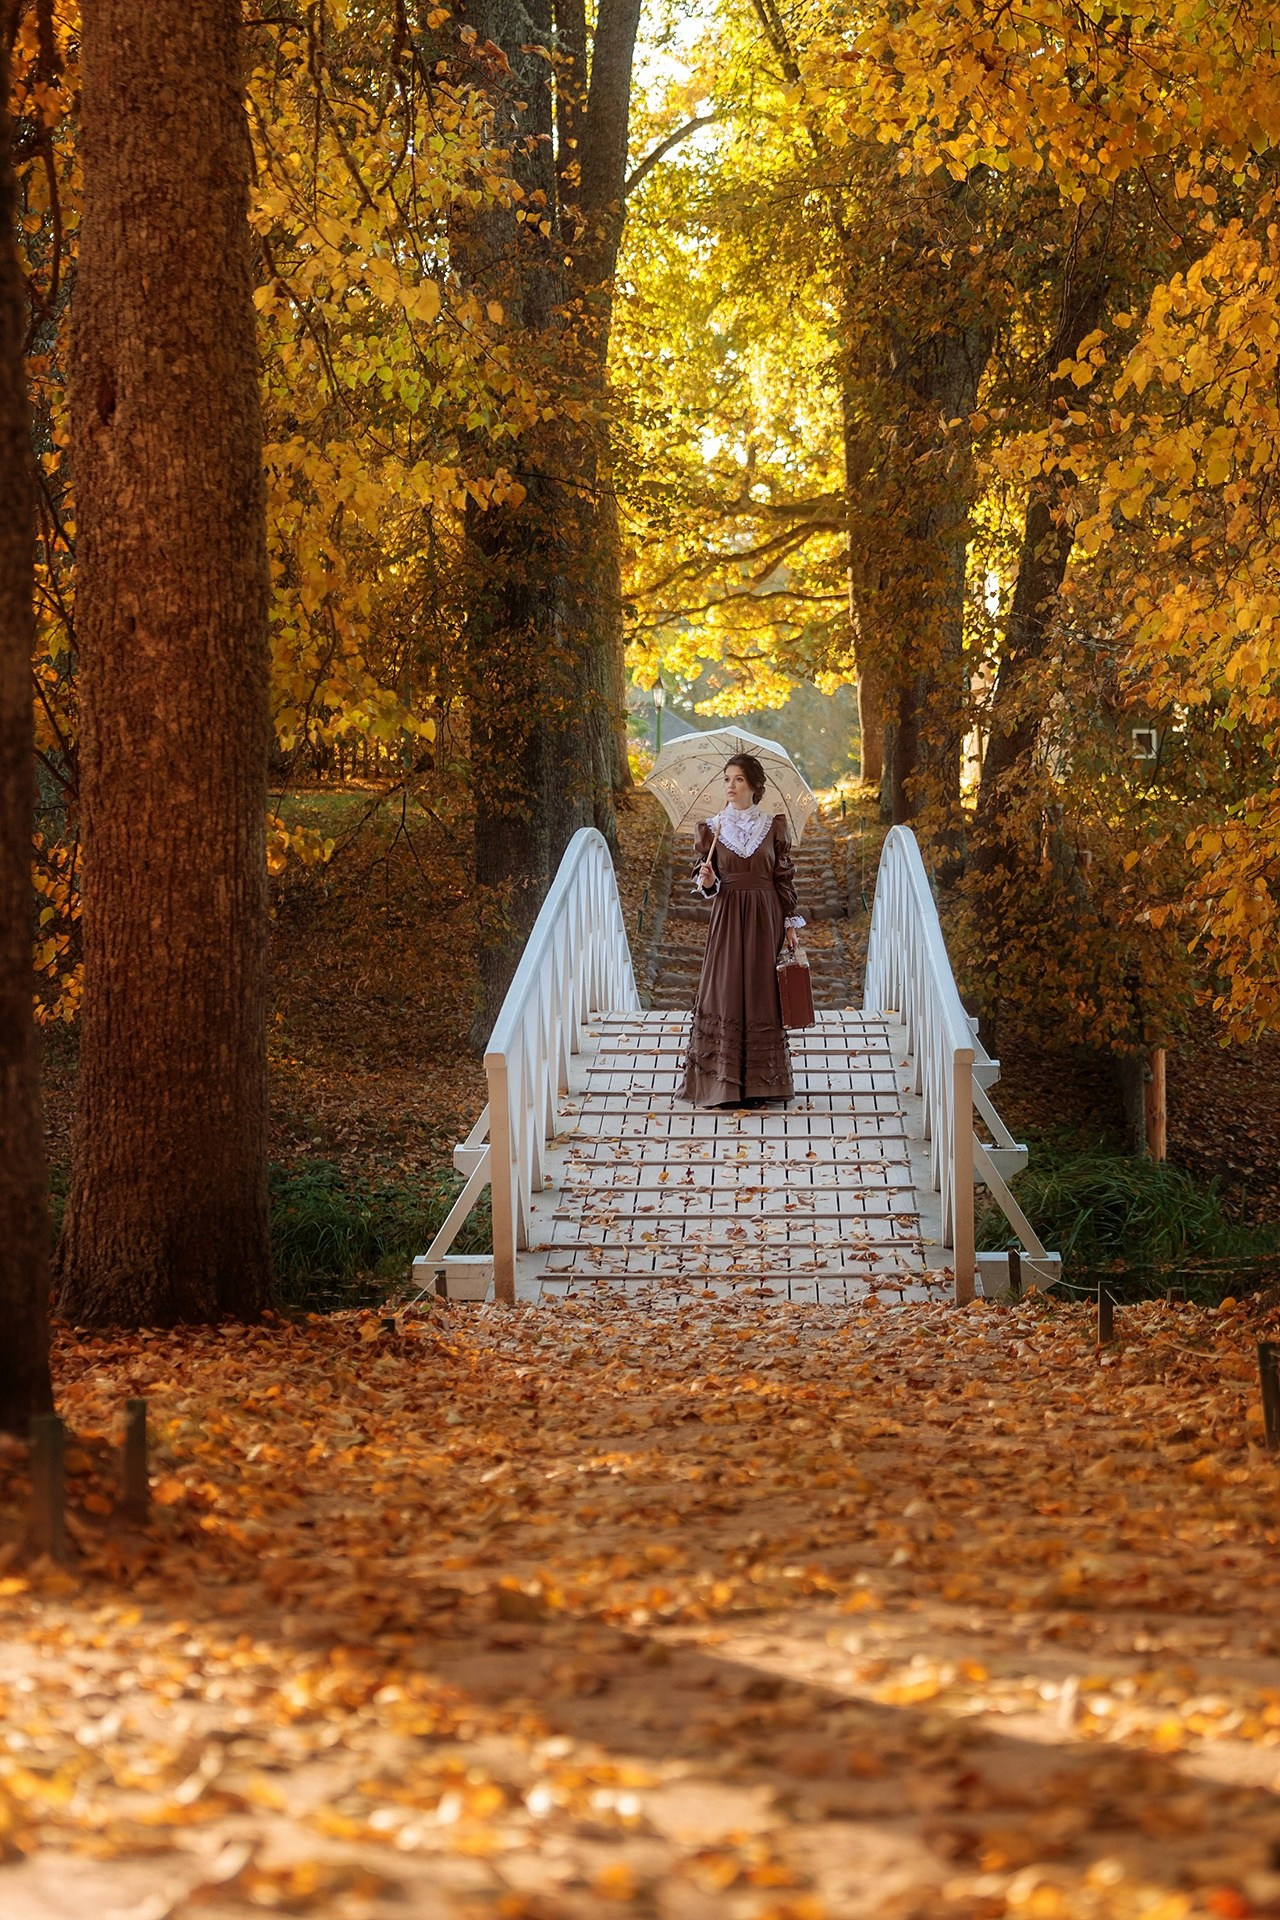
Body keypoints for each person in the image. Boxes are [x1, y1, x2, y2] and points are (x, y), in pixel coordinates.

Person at [681, 753, 805, 1109]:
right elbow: (705, 883)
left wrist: (790, 923)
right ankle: (722, 1085)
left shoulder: (772, 827)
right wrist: (707, 880)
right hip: (728, 915)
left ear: (754, 784)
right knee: (725, 988)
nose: (731, 786)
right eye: (727, 779)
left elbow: (782, 877)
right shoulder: (712, 829)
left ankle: (762, 1086)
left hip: (767, 916)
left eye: (738, 779)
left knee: (762, 992)